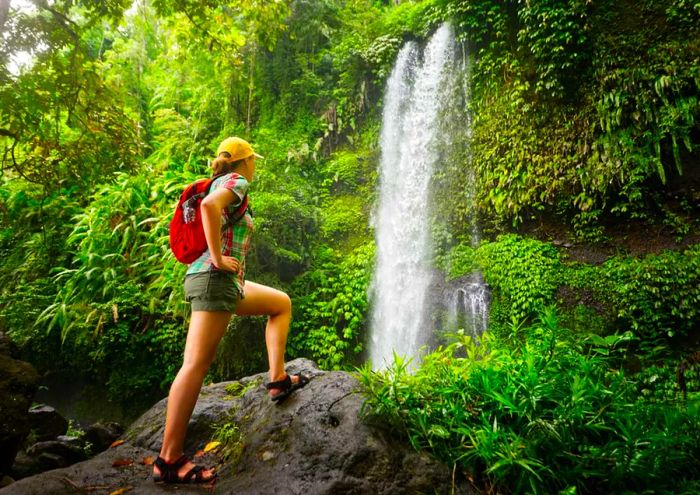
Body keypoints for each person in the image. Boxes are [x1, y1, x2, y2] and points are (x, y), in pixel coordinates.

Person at [153, 137, 309, 484]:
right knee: (194, 365)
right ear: (244, 161)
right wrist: (221, 259)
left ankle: (278, 380)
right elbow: (209, 207)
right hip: (214, 279)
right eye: (253, 159)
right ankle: (168, 460)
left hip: (220, 282)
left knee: (280, 303)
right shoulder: (236, 182)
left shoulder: (218, 181)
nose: (255, 165)